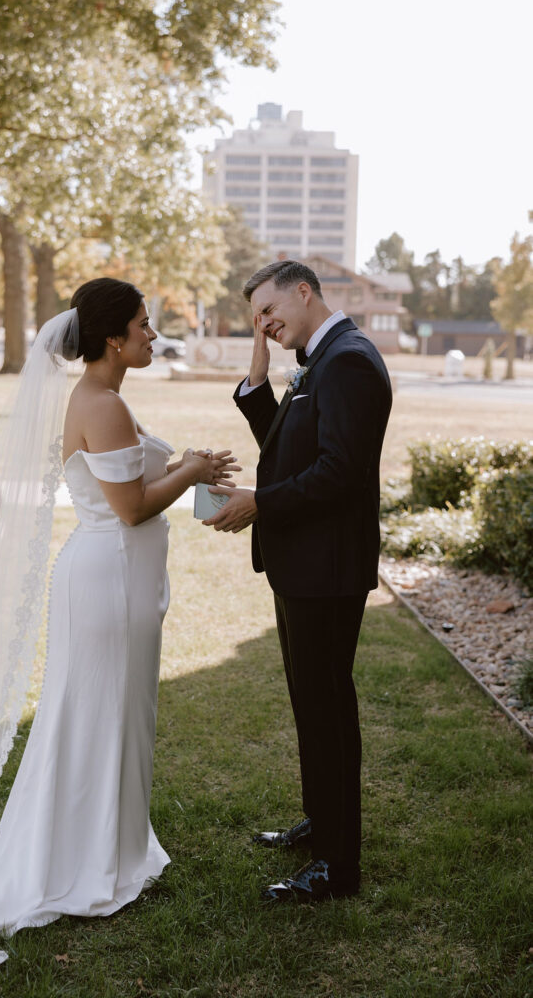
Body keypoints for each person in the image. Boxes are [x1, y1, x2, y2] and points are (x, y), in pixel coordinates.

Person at [0, 277, 238, 997]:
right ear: (113, 339)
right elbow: (128, 509)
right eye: (144, 326)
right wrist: (187, 470)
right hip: (108, 579)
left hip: (110, 580)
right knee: (99, 720)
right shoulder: (104, 402)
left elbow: (129, 484)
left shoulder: (102, 400)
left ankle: (109, 849)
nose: (154, 337)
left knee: (111, 720)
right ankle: (89, 863)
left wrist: (185, 466)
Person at [203, 260, 392, 904]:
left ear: (304, 291)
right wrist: (257, 379)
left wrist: (260, 503)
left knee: (328, 713)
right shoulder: (319, 357)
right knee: (312, 708)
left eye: (270, 309)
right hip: (304, 565)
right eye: (257, 316)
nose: (265, 322)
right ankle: (322, 825)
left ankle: (339, 869)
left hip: (327, 569)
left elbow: (338, 471)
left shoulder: (348, 362)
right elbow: (287, 448)